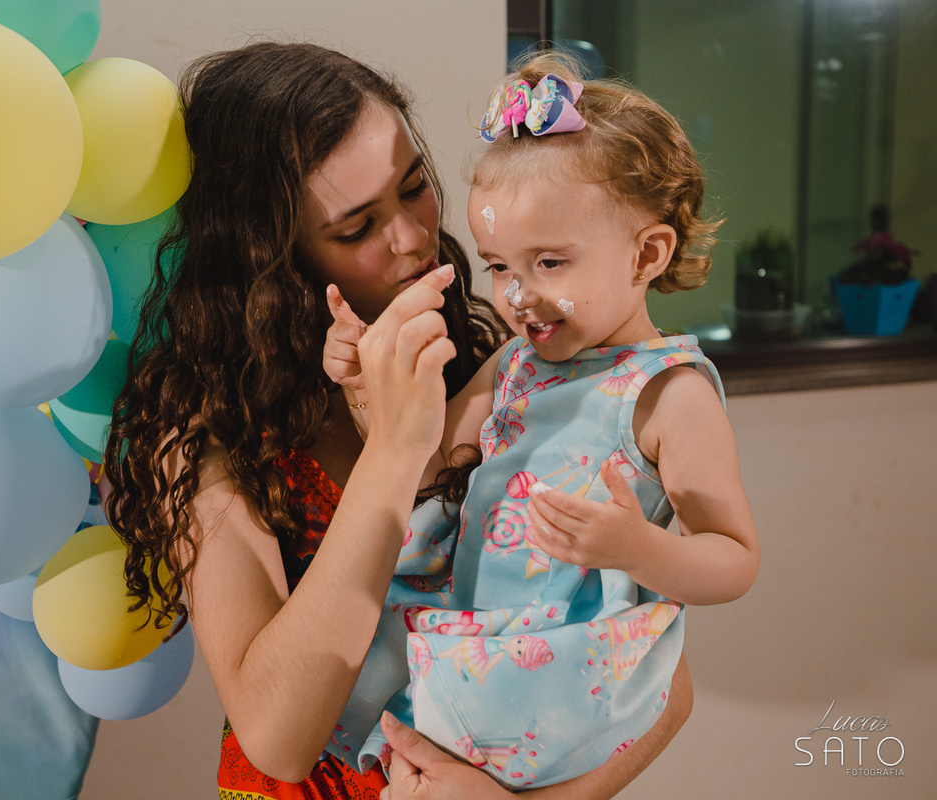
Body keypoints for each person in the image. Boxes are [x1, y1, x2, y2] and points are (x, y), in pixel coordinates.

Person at [104, 42, 694, 800]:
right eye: (356, 229)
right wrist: (394, 451)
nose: (413, 237)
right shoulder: (207, 428)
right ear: (271, 252)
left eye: (415, 187)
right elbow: (279, 738)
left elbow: (656, 673)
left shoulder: (490, 363)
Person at [321, 51, 759, 792]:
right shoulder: (516, 364)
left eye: (550, 262)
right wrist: (370, 395)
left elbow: (735, 558)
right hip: (467, 646)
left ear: (647, 254)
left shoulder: (667, 394)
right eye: (498, 267)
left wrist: (639, 548)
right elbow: (428, 476)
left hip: (555, 676)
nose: (518, 296)